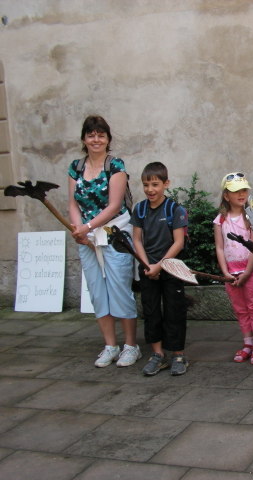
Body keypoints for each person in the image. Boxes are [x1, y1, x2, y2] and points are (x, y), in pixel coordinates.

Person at [68, 115, 141, 368]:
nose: (96, 139)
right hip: (86, 239)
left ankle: (131, 346)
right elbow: (72, 204)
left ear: (108, 139)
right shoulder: (76, 167)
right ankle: (110, 345)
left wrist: (88, 227)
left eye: (101, 135)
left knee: (120, 289)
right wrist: (79, 229)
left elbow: (114, 205)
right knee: (97, 292)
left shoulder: (115, 166)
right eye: (91, 135)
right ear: (84, 139)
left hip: (114, 234)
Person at [131, 162, 189, 376]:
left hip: (171, 269)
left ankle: (178, 355)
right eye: (146, 185)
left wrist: (160, 265)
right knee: (151, 312)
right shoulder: (140, 209)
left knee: (174, 312)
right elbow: (137, 240)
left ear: (166, 184)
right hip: (148, 271)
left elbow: (178, 243)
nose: (150, 189)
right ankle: (157, 355)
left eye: (155, 184)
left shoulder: (174, 210)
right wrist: (148, 265)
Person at [214, 172, 253, 365]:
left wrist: (247, 272)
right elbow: (219, 247)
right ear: (226, 195)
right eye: (236, 191)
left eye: (244, 190)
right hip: (231, 273)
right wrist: (225, 272)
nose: (241, 194)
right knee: (241, 309)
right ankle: (247, 343)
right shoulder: (220, 220)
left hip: (251, 271)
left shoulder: (252, 217)